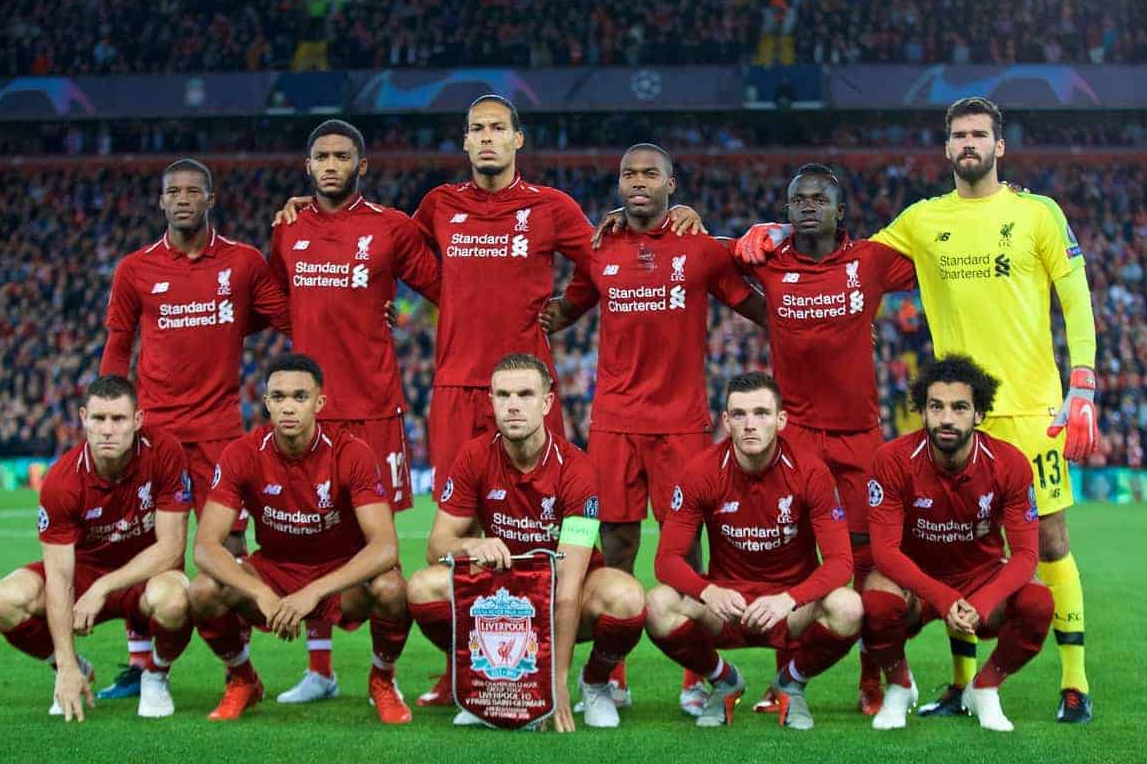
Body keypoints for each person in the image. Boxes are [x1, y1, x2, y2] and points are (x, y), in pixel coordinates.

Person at [275, 95, 698, 705]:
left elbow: (606, 259)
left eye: (499, 128)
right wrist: (311, 213)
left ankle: (607, 665)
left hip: (527, 385)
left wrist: (586, 292)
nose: (488, 138)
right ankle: (462, 667)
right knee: (464, 527)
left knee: (560, 522)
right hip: (454, 387)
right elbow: (382, 249)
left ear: (517, 140)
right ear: (466, 142)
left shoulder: (551, 207)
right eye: (478, 129)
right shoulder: (437, 206)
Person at [735, 97, 1098, 723]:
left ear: (1000, 145)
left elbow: (1076, 295)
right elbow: (836, 259)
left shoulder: (1038, 212)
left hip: (1031, 407)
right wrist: (775, 230)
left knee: (1051, 545)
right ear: (946, 146)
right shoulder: (924, 220)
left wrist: (1083, 384)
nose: (969, 144)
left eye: (980, 134)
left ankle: (1075, 682)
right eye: (958, 135)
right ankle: (959, 686)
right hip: (952, 410)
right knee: (951, 545)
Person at [541, 143, 761, 713]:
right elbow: (567, 308)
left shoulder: (699, 246)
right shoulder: (599, 245)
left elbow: (751, 302)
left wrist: (817, 327)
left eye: (650, 174)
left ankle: (699, 674)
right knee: (616, 545)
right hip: (614, 420)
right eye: (628, 174)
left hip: (682, 423)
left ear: (672, 183)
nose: (638, 182)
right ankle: (611, 673)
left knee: (685, 547)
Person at [99, 158, 291, 697]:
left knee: (228, 550)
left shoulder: (244, 263)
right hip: (153, 433)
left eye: (193, 191)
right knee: (143, 545)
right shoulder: (134, 268)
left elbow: (290, 315)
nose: (182, 199)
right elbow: (117, 342)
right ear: (161, 202)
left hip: (219, 433)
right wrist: (109, 414)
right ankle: (142, 667)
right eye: (173, 192)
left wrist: (368, 308)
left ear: (210, 199)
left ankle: (239, 669)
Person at [733, 163, 917, 715]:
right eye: (797, 199)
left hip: (860, 435)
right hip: (797, 435)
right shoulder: (769, 262)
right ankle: (785, 680)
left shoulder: (872, 261)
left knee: (868, 560)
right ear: (786, 212)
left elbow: (941, 253)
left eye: (820, 198)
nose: (808, 205)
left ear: (841, 211)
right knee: (792, 558)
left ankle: (873, 677)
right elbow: (704, 254)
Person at [267, 119, 439, 703]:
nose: (332, 164)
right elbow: (281, 307)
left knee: (381, 550)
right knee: (315, 536)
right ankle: (320, 670)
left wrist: (401, 316)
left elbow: (447, 286)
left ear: (361, 166)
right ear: (308, 166)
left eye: (343, 156)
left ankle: (382, 676)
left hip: (372, 410)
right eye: (322, 156)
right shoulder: (287, 230)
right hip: (311, 411)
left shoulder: (391, 228)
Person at [406, 354, 646, 731]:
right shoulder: (473, 456)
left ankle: (595, 682)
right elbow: (437, 544)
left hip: (565, 592)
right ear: (491, 401)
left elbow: (568, 588)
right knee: (423, 587)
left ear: (547, 402)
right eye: (502, 395)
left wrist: (558, 682)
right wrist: (471, 547)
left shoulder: (578, 470)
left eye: (525, 394)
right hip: (503, 596)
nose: (513, 404)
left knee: (627, 596)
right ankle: (488, 681)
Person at [187, 354, 411, 724]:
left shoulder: (351, 453)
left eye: (300, 397)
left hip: (341, 577)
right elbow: (206, 547)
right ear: (266, 403)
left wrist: (314, 591)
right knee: (203, 590)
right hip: (274, 572)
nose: (288, 407)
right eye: (278, 397)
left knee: (391, 588)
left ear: (319, 403)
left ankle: (382, 680)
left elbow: (385, 547)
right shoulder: (242, 454)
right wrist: (260, 591)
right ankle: (243, 678)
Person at [646, 372, 859, 729]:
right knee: (657, 605)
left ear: (781, 420)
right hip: (727, 606)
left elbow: (841, 563)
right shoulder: (700, 472)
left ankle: (791, 683)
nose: (750, 424)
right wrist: (708, 591)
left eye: (761, 413)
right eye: (739, 414)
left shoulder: (811, 473)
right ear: (726, 421)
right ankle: (724, 680)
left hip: (790, 610)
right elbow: (666, 560)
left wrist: (790, 599)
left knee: (849, 607)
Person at [0, 375, 194, 720]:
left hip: (143, 576)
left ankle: (156, 675)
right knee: (4, 600)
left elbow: (171, 549)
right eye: (99, 419)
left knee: (176, 599)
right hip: (83, 578)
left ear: (138, 420)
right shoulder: (61, 481)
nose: (108, 429)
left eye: (119, 419)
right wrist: (65, 663)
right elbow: (59, 578)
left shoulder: (165, 452)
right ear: (83, 418)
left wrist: (104, 587)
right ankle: (70, 668)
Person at [864, 355, 1054, 732]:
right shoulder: (892, 459)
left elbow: (1027, 554)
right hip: (915, 581)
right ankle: (899, 687)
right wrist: (942, 597)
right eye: (936, 406)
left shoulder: (1009, 463)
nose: (946, 418)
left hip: (981, 578)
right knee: (875, 602)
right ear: (922, 411)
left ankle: (984, 688)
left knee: (1038, 602)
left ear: (979, 413)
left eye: (959, 407)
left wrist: (982, 601)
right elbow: (885, 551)